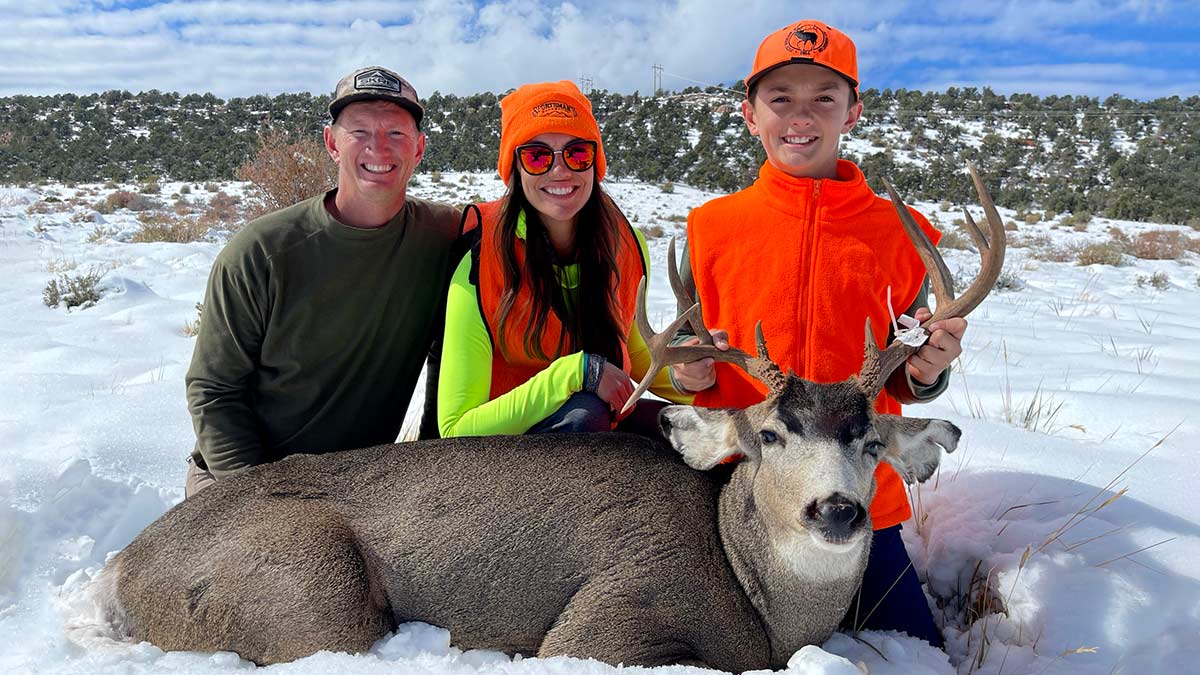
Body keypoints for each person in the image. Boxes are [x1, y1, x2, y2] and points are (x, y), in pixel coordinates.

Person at [670, 21, 963, 649]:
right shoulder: (710, 230)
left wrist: (928, 371)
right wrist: (686, 374)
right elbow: (691, 361)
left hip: (859, 504)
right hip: (737, 500)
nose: (801, 115)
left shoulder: (903, 235)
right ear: (750, 114)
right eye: (781, 98)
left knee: (914, 657)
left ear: (853, 111)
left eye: (823, 98)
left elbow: (910, 372)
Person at [184, 66, 464, 496]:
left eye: (396, 134)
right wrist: (260, 498)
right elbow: (214, 390)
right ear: (332, 143)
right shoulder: (262, 251)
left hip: (358, 483)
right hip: (238, 478)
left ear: (420, 148)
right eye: (360, 131)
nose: (378, 147)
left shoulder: (445, 236)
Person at [437, 81, 685, 439]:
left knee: (691, 432)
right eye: (537, 156)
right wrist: (575, 374)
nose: (560, 171)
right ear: (515, 170)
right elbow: (456, 428)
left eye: (577, 154)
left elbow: (636, 352)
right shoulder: (481, 263)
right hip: (503, 455)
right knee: (585, 416)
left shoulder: (625, 247)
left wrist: (688, 376)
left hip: (599, 423)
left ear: (594, 164)